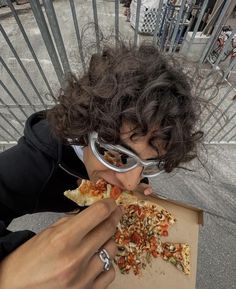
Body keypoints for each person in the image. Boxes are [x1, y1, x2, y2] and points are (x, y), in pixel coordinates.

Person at [0, 43, 203, 288]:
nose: (130, 183)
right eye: (116, 155)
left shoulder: (130, 172)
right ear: (84, 131)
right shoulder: (32, 162)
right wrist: (8, 273)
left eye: (149, 165)